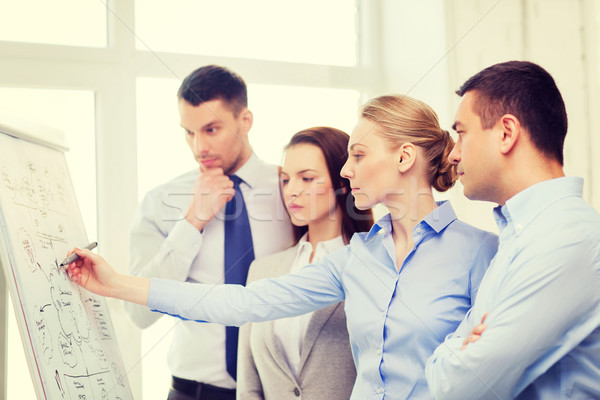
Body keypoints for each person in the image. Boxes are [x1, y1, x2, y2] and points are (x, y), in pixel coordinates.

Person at [67, 94, 498, 400]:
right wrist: (117, 283)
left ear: (404, 158)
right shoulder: (358, 259)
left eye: (359, 155)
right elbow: (241, 304)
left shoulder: (481, 254)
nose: (346, 170)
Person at [424, 60, 600, 399]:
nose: (453, 155)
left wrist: (454, 348)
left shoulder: (566, 240)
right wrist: (460, 349)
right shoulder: (523, 235)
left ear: (506, 133)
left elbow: (459, 388)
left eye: (461, 134)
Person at [124, 65, 294, 400]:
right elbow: (140, 315)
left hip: (280, 389)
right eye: (189, 132)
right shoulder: (161, 201)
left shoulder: (292, 192)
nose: (199, 146)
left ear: (245, 121)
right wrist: (191, 223)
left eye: (211, 129)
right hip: (194, 392)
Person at [237, 127, 373, 400]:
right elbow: (248, 383)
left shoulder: (371, 267)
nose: (292, 191)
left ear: (343, 183)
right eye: (286, 180)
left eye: (307, 178)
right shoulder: (262, 271)